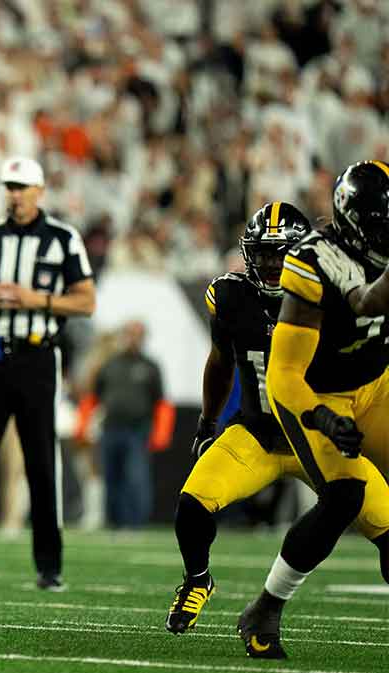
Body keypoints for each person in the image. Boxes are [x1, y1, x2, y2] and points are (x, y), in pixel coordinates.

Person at [166, 201, 389, 636]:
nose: (270, 264)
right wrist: (207, 423)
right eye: (263, 253)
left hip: (319, 434)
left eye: (279, 253)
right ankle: (197, 580)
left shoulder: (333, 294)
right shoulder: (230, 297)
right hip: (260, 434)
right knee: (192, 505)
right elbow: (220, 363)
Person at [236, 162, 389, 659]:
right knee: (344, 496)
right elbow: (285, 373)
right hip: (318, 392)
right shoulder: (313, 260)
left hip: (377, 383)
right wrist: (322, 418)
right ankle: (267, 606)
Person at [0, 157, 96, 591]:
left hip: (37, 356)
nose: (14, 194)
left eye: (21, 187)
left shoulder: (63, 238)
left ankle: (49, 568)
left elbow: (86, 301)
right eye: (9, 187)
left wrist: (37, 300)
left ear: (40, 191)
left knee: (40, 461)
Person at [89, 320, 173, 528]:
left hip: (138, 430)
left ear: (143, 338)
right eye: (129, 334)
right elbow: (95, 395)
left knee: (136, 477)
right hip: (110, 428)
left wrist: (161, 432)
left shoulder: (150, 366)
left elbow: (161, 402)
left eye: (137, 335)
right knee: (111, 476)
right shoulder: (109, 364)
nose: (132, 339)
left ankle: (135, 522)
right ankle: (114, 522)